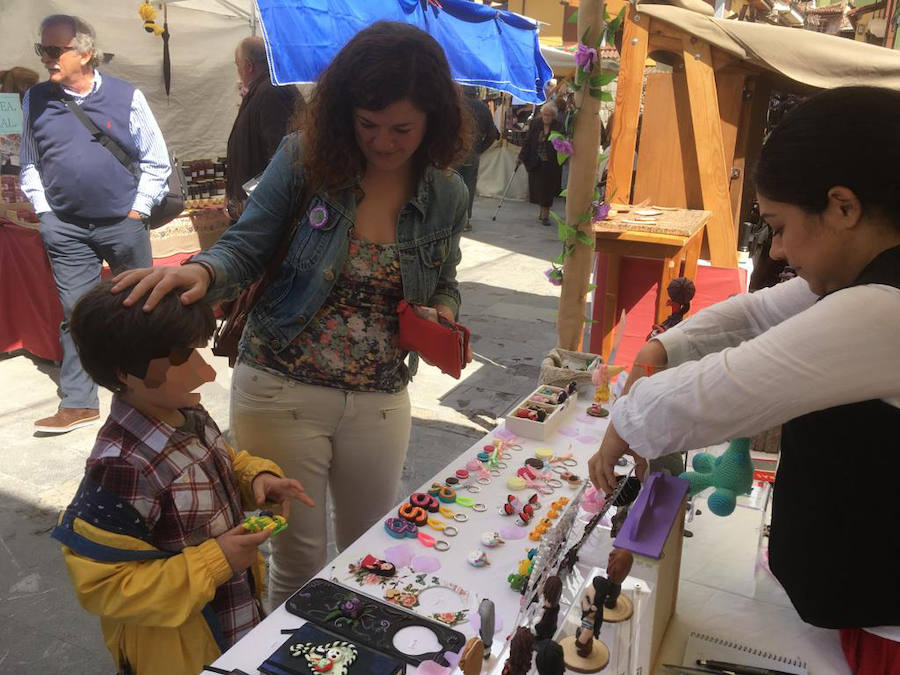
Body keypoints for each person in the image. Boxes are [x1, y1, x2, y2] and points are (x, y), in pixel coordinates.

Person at [112, 21, 471, 609]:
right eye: (368, 124)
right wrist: (203, 272)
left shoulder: (447, 193)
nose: (383, 143)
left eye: (401, 129)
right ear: (344, 113)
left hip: (381, 395)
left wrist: (443, 312)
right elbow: (246, 244)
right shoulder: (305, 159)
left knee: (372, 552)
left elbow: (447, 276)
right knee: (296, 557)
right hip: (282, 386)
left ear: (434, 120)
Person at [587, 87, 900, 673]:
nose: (776, 250)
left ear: (843, 207)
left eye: (780, 227)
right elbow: (756, 314)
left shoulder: (885, 308)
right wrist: (663, 346)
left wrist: (626, 421)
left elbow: (726, 388)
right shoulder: (864, 278)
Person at [50, 280, 313, 675]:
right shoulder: (120, 468)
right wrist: (217, 560)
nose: (205, 373)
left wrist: (255, 478)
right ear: (126, 372)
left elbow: (220, 463)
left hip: (234, 617)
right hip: (180, 652)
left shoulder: (186, 412)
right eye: (181, 358)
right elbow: (104, 587)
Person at [21, 14, 171, 434]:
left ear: (85, 53)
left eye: (55, 50)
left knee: (141, 308)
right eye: (42, 49)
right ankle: (79, 402)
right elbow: (30, 163)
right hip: (66, 227)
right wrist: (46, 213)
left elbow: (156, 160)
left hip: (122, 222)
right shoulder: (35, 99)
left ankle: (153, 391)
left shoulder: (126, 96)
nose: (46, 58)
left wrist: (137, 211)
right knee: (77, 313)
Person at [226, 36, 302, 221]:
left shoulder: (272, 91)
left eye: (238, 65)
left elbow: (282, 155)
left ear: (249, 66)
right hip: (256, 207)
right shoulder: (263, 90)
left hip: (266, 211)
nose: (238, 72)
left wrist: (261, 202)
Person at [455, 86, 499, 231]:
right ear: (476, 93)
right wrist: (480, 149)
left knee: (451, 184)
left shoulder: (455, 105)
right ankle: (465, 220)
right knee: (468, 186)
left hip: (454, 152)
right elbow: (493, 133)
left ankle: (451, 219)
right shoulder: (483, 108)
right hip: (472, 152)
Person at [517, 102, 564, 225]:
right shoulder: (535, 124)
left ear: (553, 116)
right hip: (536, 160)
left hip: (551, 162)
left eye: (549, 115)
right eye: (544, 115)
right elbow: (528, 141)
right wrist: (521, 156)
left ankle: (545, 215)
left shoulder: (558, 126)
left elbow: (561, 144)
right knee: (539, 188)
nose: (546, 117)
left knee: (548, 189)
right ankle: (542, 210)